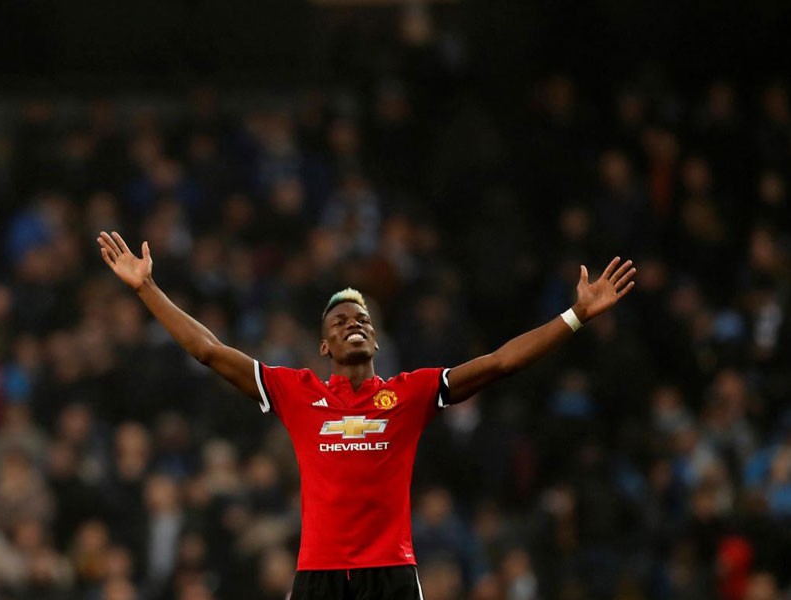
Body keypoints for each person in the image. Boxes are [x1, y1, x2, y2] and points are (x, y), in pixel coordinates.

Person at [97, 231, 636, 599]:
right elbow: (209, 350)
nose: (352, 323)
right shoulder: (296, 391)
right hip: (318, 575)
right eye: (339, 320)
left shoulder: (412, 392)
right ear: (324, 345)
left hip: (391, 575)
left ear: (374, 338)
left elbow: (499, 363)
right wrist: (146, 287)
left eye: (361, 318)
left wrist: (575, 316)